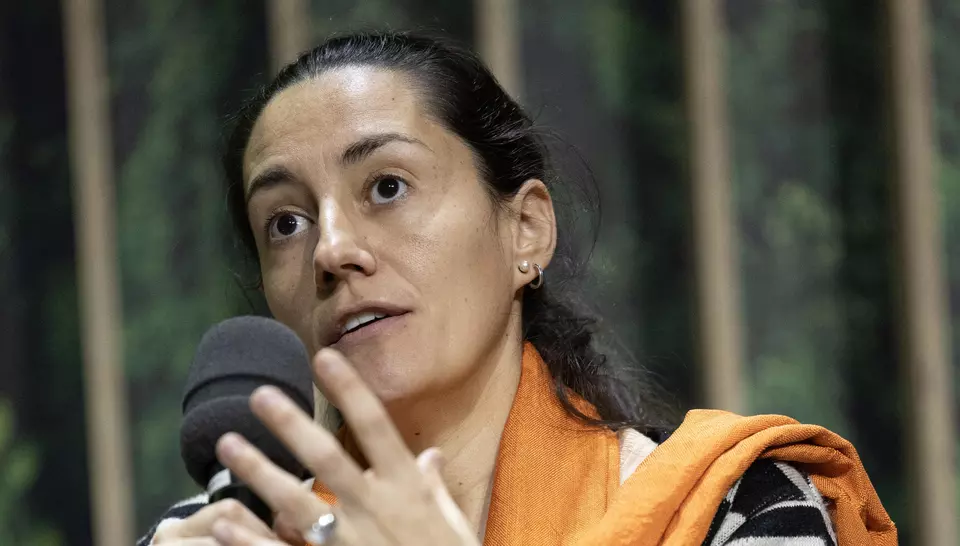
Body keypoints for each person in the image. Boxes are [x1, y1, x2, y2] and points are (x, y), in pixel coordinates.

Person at [139, 31, 896, 546]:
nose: (331, 250)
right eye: (285, 223)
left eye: (388, 186)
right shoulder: (219, 534)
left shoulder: (735, 507)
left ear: (526, 229)